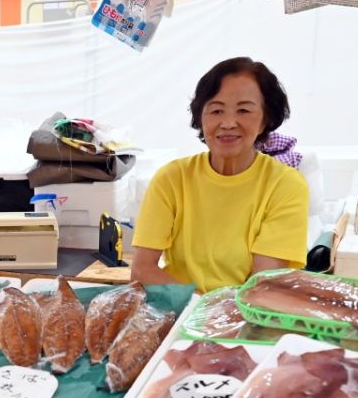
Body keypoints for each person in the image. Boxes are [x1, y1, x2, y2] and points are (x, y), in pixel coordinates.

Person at [130, 57, 309, 293]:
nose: (227, 123)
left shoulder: (285, 185)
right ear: (201, 117)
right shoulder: (172, 178)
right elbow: (142, 270)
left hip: (244, 318)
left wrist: (211, 315)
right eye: (216, 110)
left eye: (243, 110)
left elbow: (262, 286)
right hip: (179, 311)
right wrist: (197, 310)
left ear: (265, 119)